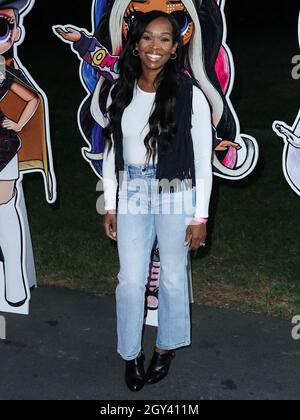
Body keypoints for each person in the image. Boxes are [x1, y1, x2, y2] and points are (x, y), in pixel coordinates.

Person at [100, 10, 213, 392]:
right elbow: (111, 150)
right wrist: (110, 204)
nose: (155, 46)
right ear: (135, 42)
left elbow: (201, 159)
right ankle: (131, 353)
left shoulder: (188, 94)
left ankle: (165, 346)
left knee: (173, 277)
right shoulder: (120, 89)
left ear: (175, 46)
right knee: (130, 281)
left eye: (165, 38)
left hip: (175, 192)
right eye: (148, 37)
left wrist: (201, 216)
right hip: (130, 190)